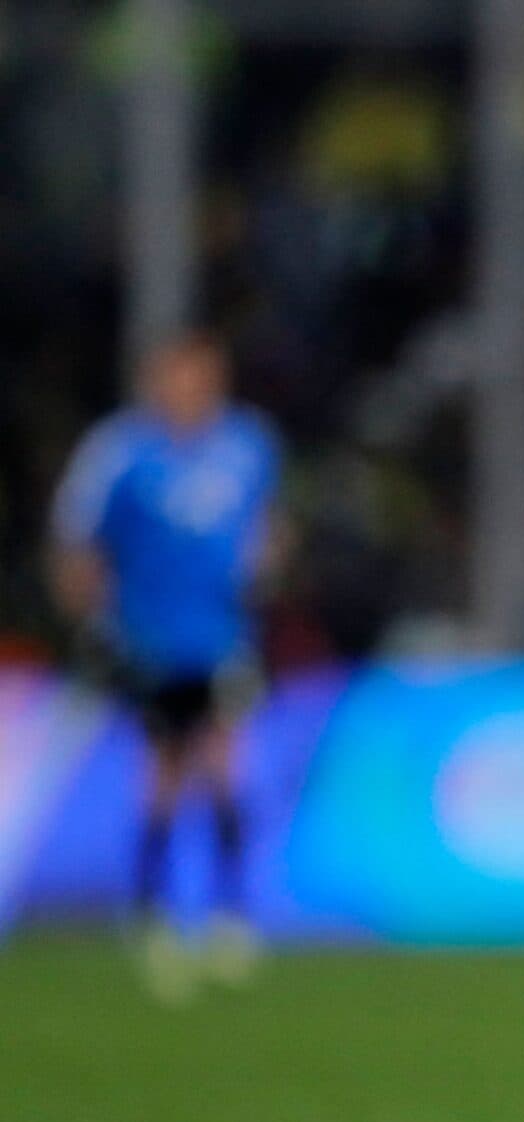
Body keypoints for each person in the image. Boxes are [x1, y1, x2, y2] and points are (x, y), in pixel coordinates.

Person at [49, 331, 281, 1002]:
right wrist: (94, 622)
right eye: (178, 376)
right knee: (162, 773)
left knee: (225, 765)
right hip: (149, 640)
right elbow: (78, 541)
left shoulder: (247, 445)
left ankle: (231, 916)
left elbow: (266, 528)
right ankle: (151, 913)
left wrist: (261, 571)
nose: (191, 388)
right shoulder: (121, 451)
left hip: (223, 637)